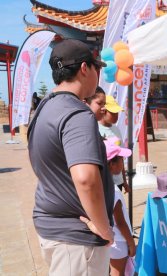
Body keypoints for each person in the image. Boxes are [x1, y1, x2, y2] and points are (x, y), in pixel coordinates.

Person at [27, 39, 114, 275]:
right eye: (97, 68)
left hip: (52, 226)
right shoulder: (77, 113)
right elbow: (85, 178)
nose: (99, 75)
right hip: (77, 239)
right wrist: (104, 228)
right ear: (85, 69)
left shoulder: (44, 107)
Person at [104, 137, 136, 276]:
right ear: (111, 164)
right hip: (119, 240)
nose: (123, 163)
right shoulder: (113, 192)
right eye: (121, 160)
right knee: (118, 273)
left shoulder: (102, 186)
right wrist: (130, 242)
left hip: (110, 239)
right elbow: (120, 222)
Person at [99, 95, 130, 193]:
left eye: (117, 113)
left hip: (118, 181)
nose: (116, 116)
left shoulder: (116, 130)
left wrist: (124, 181)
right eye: (113, 113)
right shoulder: (95, 129)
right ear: (103, 111)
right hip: (104, 181)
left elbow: (121, 156)